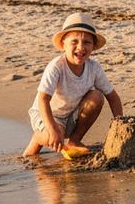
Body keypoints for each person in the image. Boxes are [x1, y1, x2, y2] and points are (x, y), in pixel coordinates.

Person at [23, 13, 123, 158]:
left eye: (87, 42)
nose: (80, 47)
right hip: (47, 114)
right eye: (74, 41)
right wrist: (52, 129)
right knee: (53, 136)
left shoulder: (94, 68)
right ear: (64, 43)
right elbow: (43, 99)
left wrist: (119, 123)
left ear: (94, 46)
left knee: (97, 97)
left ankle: (74, 140)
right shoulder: (57, 67)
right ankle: (37, 140)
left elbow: (112, 96)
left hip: (71, 115)